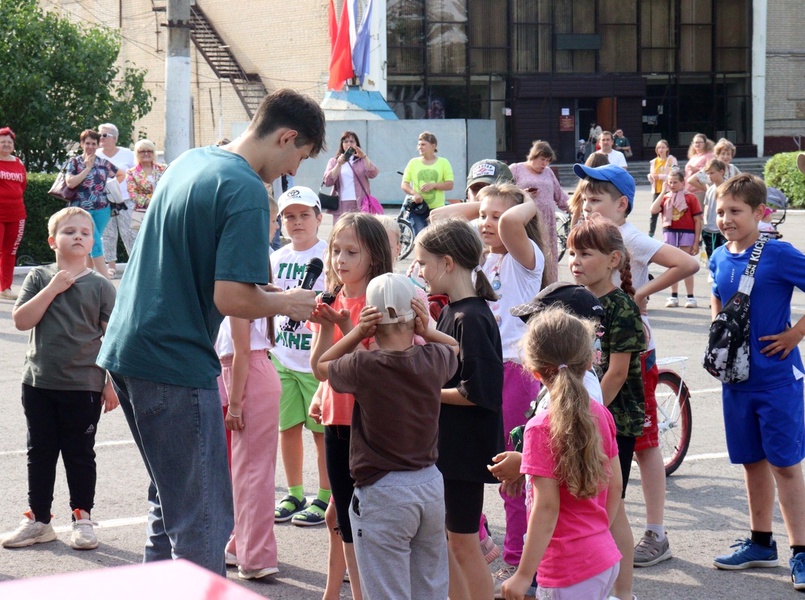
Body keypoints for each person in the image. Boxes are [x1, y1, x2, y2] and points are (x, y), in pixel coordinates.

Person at [95, 89, 325, 575]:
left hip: (127, 350)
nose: (293, 171)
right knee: (203, 521)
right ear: (286, 137)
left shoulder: (190, 161)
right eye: (298, 157)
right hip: (173, 362)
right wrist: (289, 302)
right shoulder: (245, 190)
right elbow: (232, 298)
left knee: (170, 501)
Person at [576, 163, 699, 590]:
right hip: (601, 348)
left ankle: (657, 531)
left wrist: (641, 293)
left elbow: (687, 262)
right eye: (585, 197)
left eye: (596, 199)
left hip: (630, 354)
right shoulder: (591, 238)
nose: (587, 205)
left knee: (642, 441)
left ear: (622, 204)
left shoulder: (627, 237)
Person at [317, 273, 459, 600]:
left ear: (372, 320)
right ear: (415, 317)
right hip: (429, 485)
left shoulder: (364, 365)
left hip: (383, 491)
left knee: (387, 592)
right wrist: (428, 331)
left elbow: (321, 366)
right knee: (430, 587)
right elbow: (453, 347)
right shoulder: (432, 359)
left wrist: (355, 333)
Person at [709, 174, 805, 592]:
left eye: (735, 211)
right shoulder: (718, 254)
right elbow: (717, 292)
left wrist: (795, 334)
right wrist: (718, 327)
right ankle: (760, 543)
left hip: (776, 380)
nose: (726, 219)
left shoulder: (778, 253)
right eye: (721, 211)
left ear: (759, 213)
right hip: (737, 382)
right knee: (751, 462)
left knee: (784, 465)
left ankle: (801, 552)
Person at [2, 207, 117, 551]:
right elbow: (22, 321)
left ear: (93, 241)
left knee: (80, 453)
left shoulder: (100, 286)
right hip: (38, 382)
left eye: (85, 232)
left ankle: (82, 518)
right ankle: (39, 520)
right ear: (53, 241)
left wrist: (110, 383)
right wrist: (53, 288)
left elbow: (112, 338)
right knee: (40, 452)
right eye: (69, 231)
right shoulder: (39, 277)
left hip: (84, 385)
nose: (78, 236)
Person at [501, 307, 622, 600]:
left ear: (533, 370)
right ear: (588, 360)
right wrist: (597, 534)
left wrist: (522, 575)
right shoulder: (600, 414)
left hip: (566, 569)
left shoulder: (539, 427)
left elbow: (546, 507)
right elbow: (615, 484)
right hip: (603, 556)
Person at [414, 218, 504, 600]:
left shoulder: (471, 317)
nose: (420, 270)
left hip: (465, 451)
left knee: (465, 543)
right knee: (453, 541)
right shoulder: (457, 311)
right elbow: (452, 353)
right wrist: (427, 330)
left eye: (423, 262)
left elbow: (476, 391)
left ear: (447, 263)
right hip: (453, 448)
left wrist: (425, 391)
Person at [309, 213, 393, 600]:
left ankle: (359, 594)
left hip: (367, 423)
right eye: (335, 250)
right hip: (335, 419)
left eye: (351, 252)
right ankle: (332, 592)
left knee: (353, 519)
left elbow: (376, 369)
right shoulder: (332, 299)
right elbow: (321, 369)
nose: (340, 259)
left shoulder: (380, 304)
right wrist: (329, 326)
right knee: (338, 514)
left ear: (374, 256)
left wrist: (345, 328)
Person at [567, 214, 646, 600]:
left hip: (614, 421)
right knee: (589, 506)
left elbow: (615, 374)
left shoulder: (622, 308)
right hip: (582, 417)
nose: (576, 261)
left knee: (612, 509)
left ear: (614, 260)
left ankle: (624, 593)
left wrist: (587, 416)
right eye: (572, 253)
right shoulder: (575, 302)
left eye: (585, 253)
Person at [474, 183, 544, 594]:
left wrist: (531, 200)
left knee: (514, 473)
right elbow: (438, 219)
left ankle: (521, 562)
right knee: (471, 461)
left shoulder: (524, 259)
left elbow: (512, 221)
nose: (487, 223)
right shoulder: (482, 258)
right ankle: (481, 538)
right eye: (482, 214)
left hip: (516, 371)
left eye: (496, 216)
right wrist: (489, 203)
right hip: (483, 371)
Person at [271, 186, 330, 527]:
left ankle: (325, 495)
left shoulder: (328, 255)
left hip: (316, 360)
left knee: (321, 432)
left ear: (319, 218)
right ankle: (294, 492)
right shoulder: (276, 258)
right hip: (282, 357)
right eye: (289, 216)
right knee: (288, 427)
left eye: (305, 215)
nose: (297, 222)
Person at [215, 311, 280, 580]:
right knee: (243, 473)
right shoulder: (252, 293)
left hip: (247, 374)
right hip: (240, 372)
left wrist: (237, 404)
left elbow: (242, 351)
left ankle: (256, 556)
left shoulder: (242, 293)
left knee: (253, 474)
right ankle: (240, 545)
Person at [65, 129, 125, 279]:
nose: (90, 146)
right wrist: (87, 168)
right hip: (81, 210)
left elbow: (121, 174)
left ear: (98, 145)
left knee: (89, 243)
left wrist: (111, 187)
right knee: (94, 241)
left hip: (102, 208)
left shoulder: (104, 163)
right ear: (81, 144)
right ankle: (104, 279)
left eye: (93, 143)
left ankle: (85, 277)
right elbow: (70, 183)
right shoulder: (75, 162)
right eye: (87, 143)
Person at [510, 140, 570, 284]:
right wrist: (522, 193)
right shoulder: (516, 169)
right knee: (529, 255)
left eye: (547, 160)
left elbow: (559, 196)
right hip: (527, 221)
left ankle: (549, 287)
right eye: (542, 159)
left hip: (548, 222)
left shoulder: (548, 172)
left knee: (548, 256)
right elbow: (504, 191)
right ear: (533, 156)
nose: (544, 164)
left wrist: (577, 205)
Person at [650, 171, 703, 308]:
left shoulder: (690, 198)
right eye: (670, 182)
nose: (672, 185)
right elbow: (654, 209)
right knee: (673, 265)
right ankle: (673, 295)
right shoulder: (666, 198)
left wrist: (696, 241)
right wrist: (662, 192)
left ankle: (690, 296)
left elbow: (698, 220)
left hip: (687, 233)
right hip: (670, 232)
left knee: (687, 265)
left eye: (675, 182)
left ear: (682, 182)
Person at [97, 123, 136, 278]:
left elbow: (136, 173)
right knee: (108, 233)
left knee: (130, 232)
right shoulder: (97, 154)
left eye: (104, 135)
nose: (100, 138)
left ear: (114, 137)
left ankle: (134, 264)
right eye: (99, 134)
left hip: (125, 199)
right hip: (104, 200)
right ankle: (110, 266)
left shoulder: (127, 153)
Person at [401, 131, 454, 236]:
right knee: (421, 237)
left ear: (433, 146)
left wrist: (434, 185)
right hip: (418, 207)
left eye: (423, 144)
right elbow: (404, 184)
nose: (420, 147)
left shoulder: (443, 162)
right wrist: (414, 193)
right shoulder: (413, 163)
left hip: (437, 208)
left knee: (438, 238)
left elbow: (450, 185)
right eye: (419, 144)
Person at [322, 131, 379, 224]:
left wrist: (364, 157)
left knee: (361, 234)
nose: (348, 144)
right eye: (346, 141)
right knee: (341, 233)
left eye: (352, 141)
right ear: (342, 144)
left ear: (356, 144)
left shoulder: (361, 161)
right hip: (341, 204)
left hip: (360, 203)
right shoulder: (334, 161)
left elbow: (373, 173)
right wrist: (339, 165)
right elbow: (328, 181)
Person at [0, 127, 26, 301]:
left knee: (10, 252)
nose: (6, 144)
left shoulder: (18, 163)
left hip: (16, 214)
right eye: (2, 142)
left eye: (9, 142)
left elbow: (22, 186)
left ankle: (5, 288)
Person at [125, 139, 166, 234]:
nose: (146, 153)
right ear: (136, 153)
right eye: (142, 151)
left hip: (162, 209)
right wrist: (150, 202)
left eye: (149, 151)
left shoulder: (163, 168)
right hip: (142, 212)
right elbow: (133, 194)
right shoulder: (131, 172)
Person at [568, 152, 610, 228]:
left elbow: (575, 214)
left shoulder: (584, 183)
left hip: (586, 228)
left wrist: (571, 235)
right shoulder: (608, 184)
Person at [647, 139, 677, 238]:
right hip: (657, 190)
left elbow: (675, 174)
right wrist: (650, 176)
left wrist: (659, 176)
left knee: (668, 213)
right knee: (653, 212)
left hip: (668, 190)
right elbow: (651, 174)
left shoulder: (671, 160)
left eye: (663, 147)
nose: (661, 149)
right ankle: (650, 234)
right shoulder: (654, 162)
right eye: (659, 147)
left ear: (667, 149)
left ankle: (670, 233)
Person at [698, 159, 728, 260]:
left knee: (723, 257)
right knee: (712, 259)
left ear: (721, 171)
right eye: (708, 173)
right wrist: (704, 224)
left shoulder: (727, 188)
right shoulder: (710, 189)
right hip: (709, 229)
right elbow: (706, 208)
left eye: (712, 173)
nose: (709, 176)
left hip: (722, 229)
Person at [683, 133, 715, 206]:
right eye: (695, 142)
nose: (697, 144)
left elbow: (711, 170)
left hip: (699, 190)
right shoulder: (694, 156)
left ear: (705, 144)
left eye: (700, 142)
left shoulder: (709, 155)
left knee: (698, 215)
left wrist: (697, 169)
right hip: (688, 190)